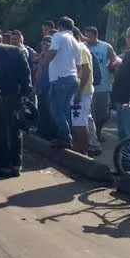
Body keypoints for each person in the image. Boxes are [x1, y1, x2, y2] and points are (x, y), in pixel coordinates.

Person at [0, 30, 32, 177]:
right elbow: (26, 73)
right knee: (15, 130)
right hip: (15, 95)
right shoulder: (15, 50)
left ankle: (1, 165)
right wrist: (25, 93)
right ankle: (16, 164)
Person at [45, 16, 81, 148]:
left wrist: (43, 63)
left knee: (55, 109)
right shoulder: (75, 42)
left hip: (60, 78)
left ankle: (66, 137)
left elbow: (52, 52)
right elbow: (78, 65)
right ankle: (63, 136)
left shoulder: (59, 36)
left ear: (59, 26)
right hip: (72, 78)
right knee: (65, 109)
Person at [86, 26, 118, 146]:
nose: (86, 38)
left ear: (95, 35)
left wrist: (112, 65)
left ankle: (98, 131)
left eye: (89, 36)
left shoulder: (105, 47)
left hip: (103, 86)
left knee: (103, 113)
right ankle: (92, 136)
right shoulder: (83, 46)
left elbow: (114, 59)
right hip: (88, 85)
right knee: (90, 113)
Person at [71, 27, 99, 156]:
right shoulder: (80, 48)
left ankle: (82, 154)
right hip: (81, 91)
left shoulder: (80, 49)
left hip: (82, 92)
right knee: (79, 122)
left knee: (79, 123)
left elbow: (86, 71)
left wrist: (79, 92)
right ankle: (80, 151)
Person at [35, 36, 57, 140]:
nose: (44, 47)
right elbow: (38, 71)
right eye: (43, 44)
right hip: (42, 86)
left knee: (50, 110)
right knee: (42, 108)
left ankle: (51, 133)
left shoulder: (54, 56)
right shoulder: (42, 55)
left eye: (47, 45)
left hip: (50, 86)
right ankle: (42, 130)